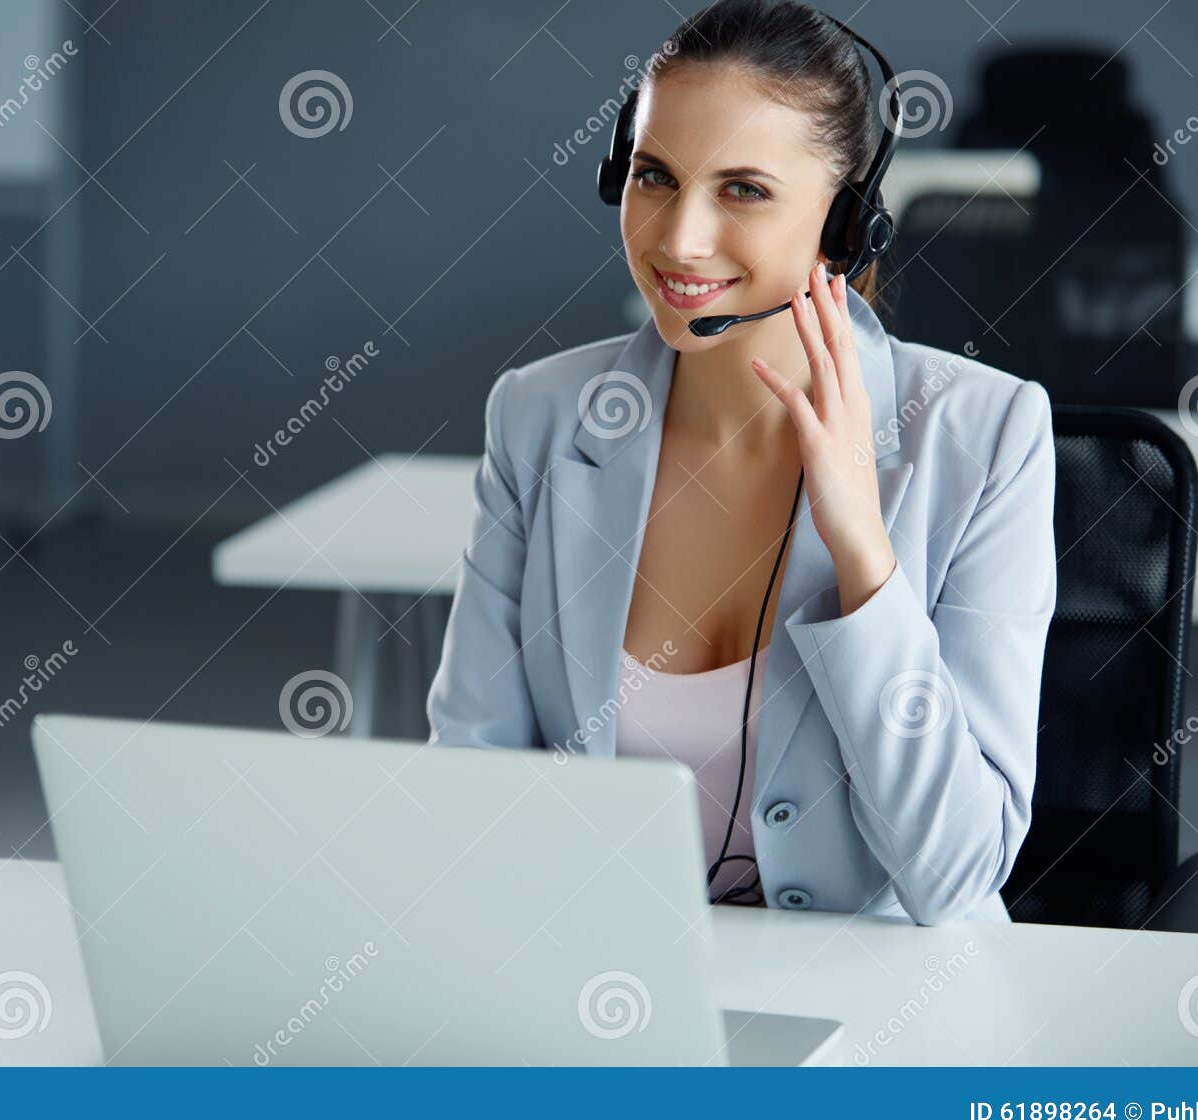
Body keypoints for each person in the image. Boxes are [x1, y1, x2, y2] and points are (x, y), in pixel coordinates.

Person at [426, 0, 1057, 926]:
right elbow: (472, 788)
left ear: (844, 228)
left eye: (744, 189)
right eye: (655, 176)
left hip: (879, 1016)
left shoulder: (985, 436)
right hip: (611, 993)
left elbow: (955, 874)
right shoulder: (540, 418)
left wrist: (863, 558)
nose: (678, 240)